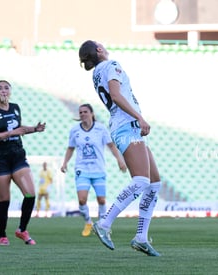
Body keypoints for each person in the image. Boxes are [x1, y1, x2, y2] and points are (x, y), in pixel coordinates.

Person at [78, 41, 162, 256]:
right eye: (100, 44)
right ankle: (104, 224)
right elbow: (116, 95)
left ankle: (141, 238)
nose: (103, 45)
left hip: (125, 126)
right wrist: (139, 117)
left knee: (154, 183)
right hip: (126, 126)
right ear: (98, 50)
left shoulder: (97, 72)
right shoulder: (111, 65)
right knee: (141, 180)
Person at [0, 80, 46, 246]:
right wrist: (11, 132)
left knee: (31, 193)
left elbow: (19, 128)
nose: (3, 91)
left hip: (17, 155)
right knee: (4, 200)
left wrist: (34, 129)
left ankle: (22, 230)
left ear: (10, 91)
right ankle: (2, 235)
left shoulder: (15, 107)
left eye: (6, 88)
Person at [60, 103, 127, 237]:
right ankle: (88, 222)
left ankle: (102, 224)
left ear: (92, 113)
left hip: (98, 169)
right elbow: (70, 148)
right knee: (82, 200)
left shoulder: (101, 129)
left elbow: (111, 146)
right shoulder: (75, 130)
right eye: (80, 112)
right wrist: (65, 163)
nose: (83, 114)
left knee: (101, 200)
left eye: (85, 112)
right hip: (82, 169)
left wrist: (120, 160)